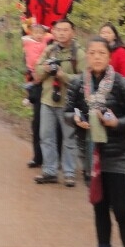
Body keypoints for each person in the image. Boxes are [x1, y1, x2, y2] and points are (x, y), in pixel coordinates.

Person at [65, 36, 125, 247]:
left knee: (122, 211)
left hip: (119, 153)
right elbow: (68, 111)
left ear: (109, 56)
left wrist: (116, 123)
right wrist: (75, 120)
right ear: (87, 56)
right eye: (92, 52)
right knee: (99, 208)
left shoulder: (123, 84)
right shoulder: (79, 83)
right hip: (92, 154)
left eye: (102, 52)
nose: (97, 56)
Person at [32, 18, 86, 186]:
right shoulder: (49, 50)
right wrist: (47, 69)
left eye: (65, 30)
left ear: (72, 32)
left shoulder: (79, 54)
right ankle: (50, 171)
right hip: (48, 100)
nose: (61, 33)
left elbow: (85, 79)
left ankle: (69, 173)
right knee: (46, 137)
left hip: (68, 103)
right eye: (58, 30)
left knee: (69, 139)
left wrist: (64, 76)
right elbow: (37, 73)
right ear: (53, 32)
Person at [21, 19, 54, 168]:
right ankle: (38, 157)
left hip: (53, 86)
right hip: (37, 84)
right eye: (36, 32)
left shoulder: (51, 43)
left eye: (41, 32)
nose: (39, 35)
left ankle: (53, 160)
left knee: (53, 128)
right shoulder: (29, 43)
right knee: (38, 123)